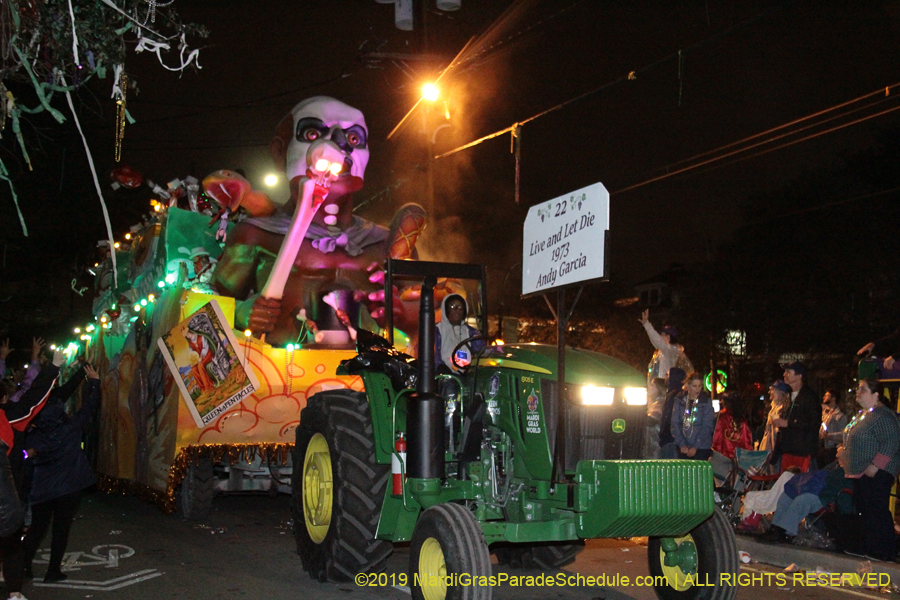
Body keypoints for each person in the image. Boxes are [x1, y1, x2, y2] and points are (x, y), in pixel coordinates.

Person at [212, 96, 426, 348]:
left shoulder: (383, 244)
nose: (339, 146)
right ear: (280, 152)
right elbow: (203, 304)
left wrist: (402, 314)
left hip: (367, 372)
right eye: (312, 134)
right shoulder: (256, 235)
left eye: (353, 138)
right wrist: (240, 312)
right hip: (282, 371)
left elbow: (426, 314)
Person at [22, 364, 101, 583]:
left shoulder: (35, 437)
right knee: (61, 530)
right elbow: (89, 408)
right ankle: (53, 571)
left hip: (42, 489)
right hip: (68, 488)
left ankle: (23, 566)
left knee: (37, 529)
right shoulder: (71, 429)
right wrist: (94, 383)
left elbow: (26, 455)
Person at [835, 378, 900, 561]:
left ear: (875, 394)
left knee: (876, 509)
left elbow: (891, 441)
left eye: (863, 389)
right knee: (865, 509)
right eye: (858, 389)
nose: (858, 392)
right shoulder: (864, 415)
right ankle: (868, 546)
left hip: (878, 472)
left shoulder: (883, 416)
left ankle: (885, 550)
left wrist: (876, 465)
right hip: (861, 471)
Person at [759, 462, 852, 543]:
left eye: (841, 450)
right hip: (815, 490)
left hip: (825, 498)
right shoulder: (833, 465)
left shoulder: (848, 471)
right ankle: (775, 527)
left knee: (803, 499)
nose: (837, 451)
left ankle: (784, 531)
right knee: (786, 495)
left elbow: (845, 492)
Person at [773, 362, 820, 466]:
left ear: (799, 376)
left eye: (788, 372)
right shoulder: (788, 396)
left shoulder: (810, 397)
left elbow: (813, 423)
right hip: (787, 453)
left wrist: (788, 423)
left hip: (803, 455)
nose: (784, 374)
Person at [639, 310, 693, 388]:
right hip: (664, 385)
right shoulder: (672, 351)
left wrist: (646, 324)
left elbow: (657, 341)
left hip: (663, 386)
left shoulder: (669, 350)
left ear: (668, 337)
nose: (660, 336)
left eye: (662, 335)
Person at [435, 294, 484, 374]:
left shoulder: (472, 333)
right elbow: (431, 357)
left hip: (468, 375)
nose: (456, 309)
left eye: (460, 307)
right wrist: (440, 367)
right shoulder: (435, 331)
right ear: (445, 309)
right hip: (444, 376)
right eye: (452, 306)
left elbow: (481, 355)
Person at [670, 372, 715, 460]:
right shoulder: (679, 400)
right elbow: (675, 423)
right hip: (683, 447)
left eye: (699, 386)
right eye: (694, 386)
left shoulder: (706, 401)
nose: (697, 389)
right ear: (688, 386)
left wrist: (695, 447)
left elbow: (707, 426)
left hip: (702, 447)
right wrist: (682, 444)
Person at [712, 390, 753, 459]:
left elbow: (717, 438)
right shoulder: (741, 419)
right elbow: (746, 440)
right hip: (739, 457)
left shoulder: (720, 416)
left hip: (722, 456)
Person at [658, 368, 687, 459]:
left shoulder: (673, 395)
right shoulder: (678, 394)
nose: (665, 377)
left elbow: (668, 418)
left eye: (667, 375)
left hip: (670, 440)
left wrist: (663, 434)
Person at [758, 380, 790, 453]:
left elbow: (776, 434)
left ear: (780, 393)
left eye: (773, 390)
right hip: (768, 447)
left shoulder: (782, 410)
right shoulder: (774, 408)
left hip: (773, 449)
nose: (769, 392)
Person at [818, 388, 847, 467]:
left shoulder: (840, 416)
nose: (824, 397)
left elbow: (843, 434)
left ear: (833, 398)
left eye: (827, 395)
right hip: (821, 446)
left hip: (831, 448)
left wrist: (829, 435)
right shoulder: (823, 412)